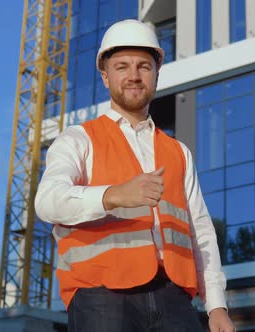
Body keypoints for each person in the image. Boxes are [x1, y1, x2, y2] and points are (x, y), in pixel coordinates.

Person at [35, 19, 235, 332]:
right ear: (105, 76)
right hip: (101, 298)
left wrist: (217, 305)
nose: (133, 75)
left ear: (156, 74)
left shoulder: (178, 152)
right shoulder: (79, 139)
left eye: (144, 66)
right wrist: (111, 195)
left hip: (173, 298)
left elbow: (200, 230)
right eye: (122, 66)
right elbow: (47, 202)